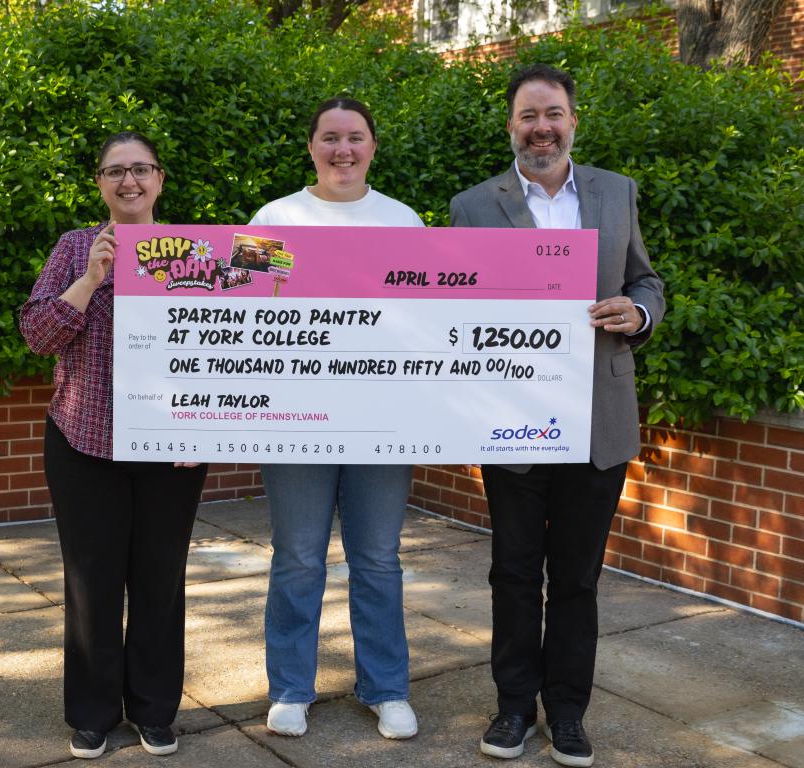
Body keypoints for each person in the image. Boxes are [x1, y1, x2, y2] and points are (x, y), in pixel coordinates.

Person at [450, 65, 665, 767]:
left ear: (573, 120)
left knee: (575, 577)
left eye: (553, 114)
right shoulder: (474, 206)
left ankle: (567, 711)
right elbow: (451, 307)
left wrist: (639, 313)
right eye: (527, 116)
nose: (541, 128)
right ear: (510, 125)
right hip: (512, 419)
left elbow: (646, 281)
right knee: (513, 573)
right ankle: (514, 708)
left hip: (597, 418)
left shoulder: (616, 193)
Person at [20, 131, 208, 760]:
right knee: (92, 582)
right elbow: (38, 334)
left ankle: (156, 711)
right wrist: (91, 280)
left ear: (160, 178)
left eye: (142, 170)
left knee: (160, 579)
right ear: (99, 182)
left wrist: (206, 425)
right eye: (115, 172)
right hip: (83, 441)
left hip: (171, 446)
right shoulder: (75, 248)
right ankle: (93, 713)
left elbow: (226, 348)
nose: (129, 182)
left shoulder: (198, 253)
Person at [249, 97, 423, 740]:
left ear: (373, 146)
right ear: (311, 147)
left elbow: (426, 326)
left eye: (355, 138)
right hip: (296, 417)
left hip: (383, 419)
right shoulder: (274, 219)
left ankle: (386, 688)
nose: (342, 150)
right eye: (329, 138)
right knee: (297, 557)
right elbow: (245, 322)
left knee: (377, 557)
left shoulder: (404, 223)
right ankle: (291, 688)